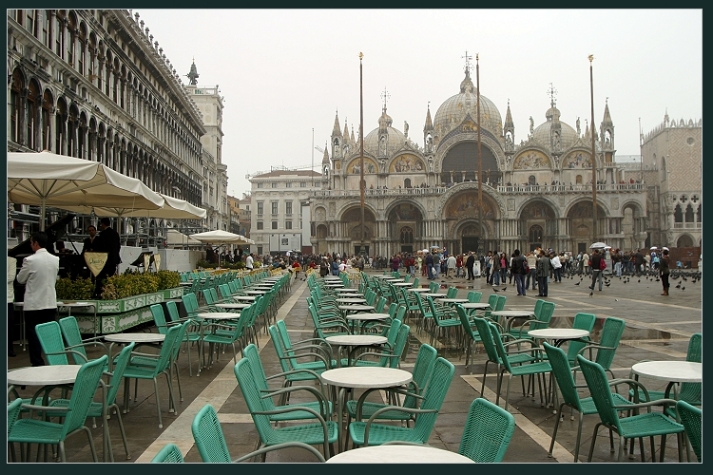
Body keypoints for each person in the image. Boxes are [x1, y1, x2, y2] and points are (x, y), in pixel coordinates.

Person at [15, 232, 60, 366]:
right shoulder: (55, 259)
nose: (30, 245)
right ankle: (54, 359)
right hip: (50, 301)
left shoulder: (30, 260)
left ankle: (37, 362)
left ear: (36, 243)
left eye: (31, 243)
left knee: (34, 334)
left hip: (34, 303)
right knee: (49, 333)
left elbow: (20, 279)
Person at [94, 217, 121, 298]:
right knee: (111, 276)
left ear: (102, 224)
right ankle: (111, 292)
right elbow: (118, 246)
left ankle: (102, 292)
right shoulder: (115, 233)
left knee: (103, 277)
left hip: (105, 259)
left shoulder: (103, 234)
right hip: (114, 259)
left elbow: (101, 247)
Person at [7, 251, 17, 357]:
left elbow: (10, 277)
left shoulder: (11, 260)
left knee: (8, 326)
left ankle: (9, 349)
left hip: (7, 299)